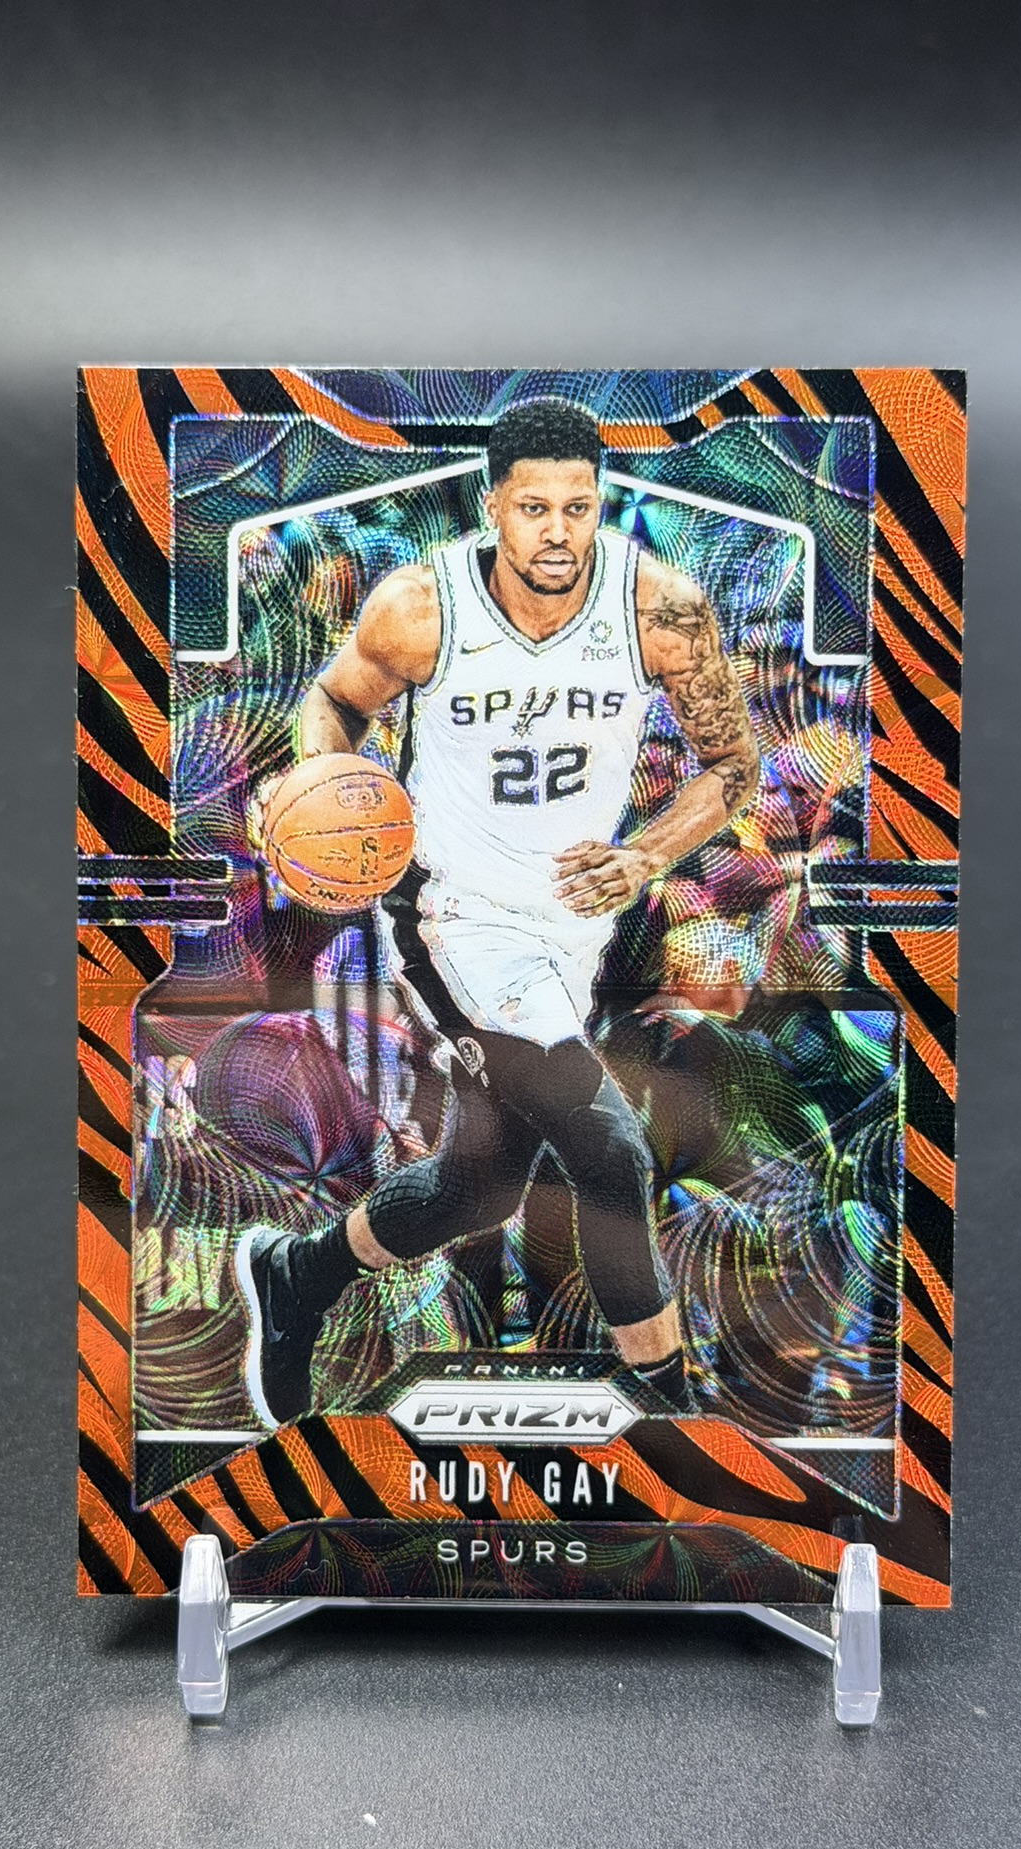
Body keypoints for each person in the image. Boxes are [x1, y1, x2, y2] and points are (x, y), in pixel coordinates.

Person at [235, 396, 760, 1429]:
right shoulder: (419, 608)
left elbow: (732, 764)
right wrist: (324, 783)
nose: (558, 531)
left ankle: (297, 1275)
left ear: (600, 503)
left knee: (481, 1186)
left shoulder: (661, 609)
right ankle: (667, 1410)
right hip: (453, 918)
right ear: (493, 508)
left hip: (573, 923)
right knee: (611, 1150)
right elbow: (334, 701)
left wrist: (645, 854)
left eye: (578, 507)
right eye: (533, 508)